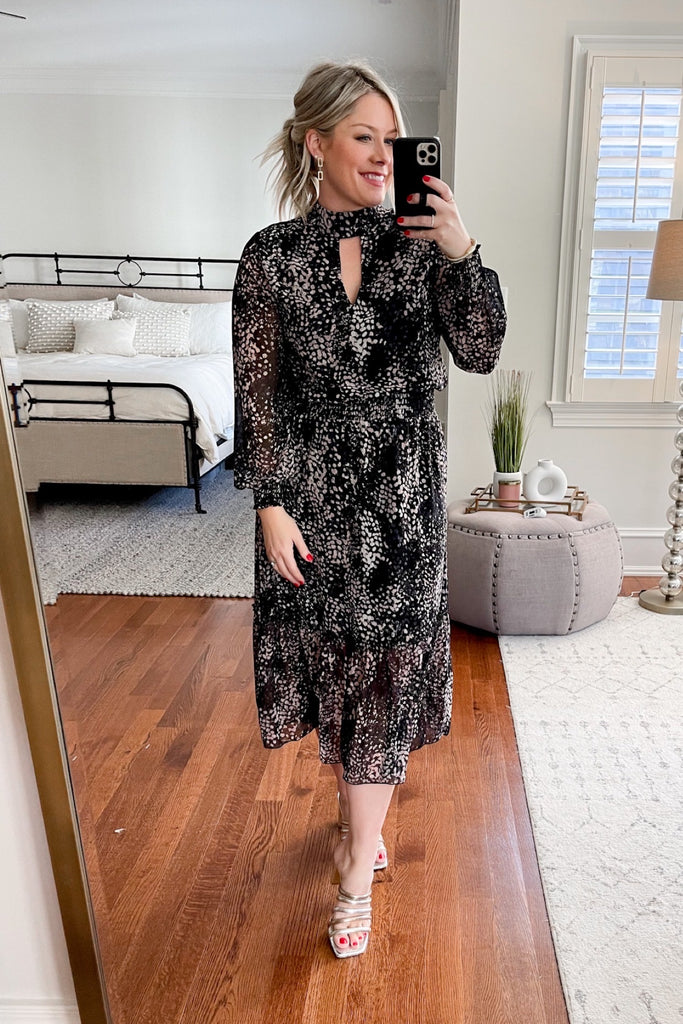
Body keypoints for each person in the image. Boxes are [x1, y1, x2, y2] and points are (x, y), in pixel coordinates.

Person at [232, 60, 506, 958]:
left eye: (393, 138)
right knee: (338, 669)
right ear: (316, 143)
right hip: (311, 502)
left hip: (403, 502)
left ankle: (355, 871)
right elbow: (258, 396)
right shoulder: (270, 257)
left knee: (384, 675)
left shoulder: (424, 246)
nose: (385, 155)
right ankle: (361, 822)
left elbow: (479, 350)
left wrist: (461, 249)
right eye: (364, 136)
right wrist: (269, 503)